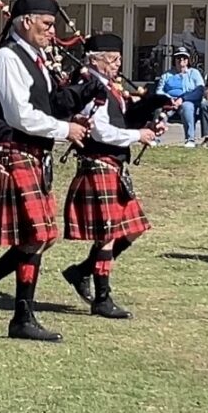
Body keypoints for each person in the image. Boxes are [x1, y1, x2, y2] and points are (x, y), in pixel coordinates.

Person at [0, 0, 92, 342]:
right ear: (25, 21)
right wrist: (63, 129)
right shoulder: (8, 57)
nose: (52, 32)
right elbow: (18, 115)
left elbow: (47, 104)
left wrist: (75, 111)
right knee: (35, 237)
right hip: (15, 151)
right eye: (47, 24)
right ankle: (19, 315)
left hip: (35, 155)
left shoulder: (35, 58)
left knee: (41, 238)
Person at [60, 34, 159, 318]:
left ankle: (81, 272)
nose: (118, 65)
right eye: (113, 59)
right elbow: (100, 131)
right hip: (98, 164)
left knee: (134, 228)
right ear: (95, 60)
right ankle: (102, 299)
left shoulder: (106, 86)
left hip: (113, 165)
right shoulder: (89, 87)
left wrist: (148, 122)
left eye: (118, 59)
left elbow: (119, 120)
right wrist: (136, 135)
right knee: (107, 236)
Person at [156, 46, 204, 147]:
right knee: (158, 109)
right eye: (178, 58)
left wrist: (182, 99)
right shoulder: (166, 75)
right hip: (170, 102)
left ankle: (190, 140)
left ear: (188, 60)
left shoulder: (194, 73)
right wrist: (169, 99)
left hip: (186, 102)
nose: (181, 60)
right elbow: (159, 91)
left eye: (184, 58)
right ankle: (155, 138)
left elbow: (199, 91)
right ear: (174, 60)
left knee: (187, 106)